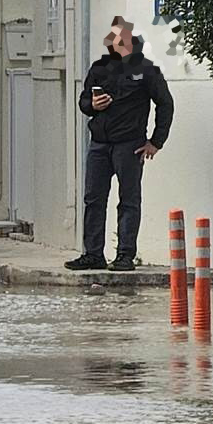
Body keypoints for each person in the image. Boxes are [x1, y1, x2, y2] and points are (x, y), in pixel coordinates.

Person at [67, 16, 174, 272]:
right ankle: (93, 254)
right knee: (93, 199)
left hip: (130, 145)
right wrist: (92, 106)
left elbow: (165, 104)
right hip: (100, 144)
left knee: (129, 200)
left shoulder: (147, 71)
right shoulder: (99, 69)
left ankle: (125, 255)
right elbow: (83, 101)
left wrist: (155, 142)